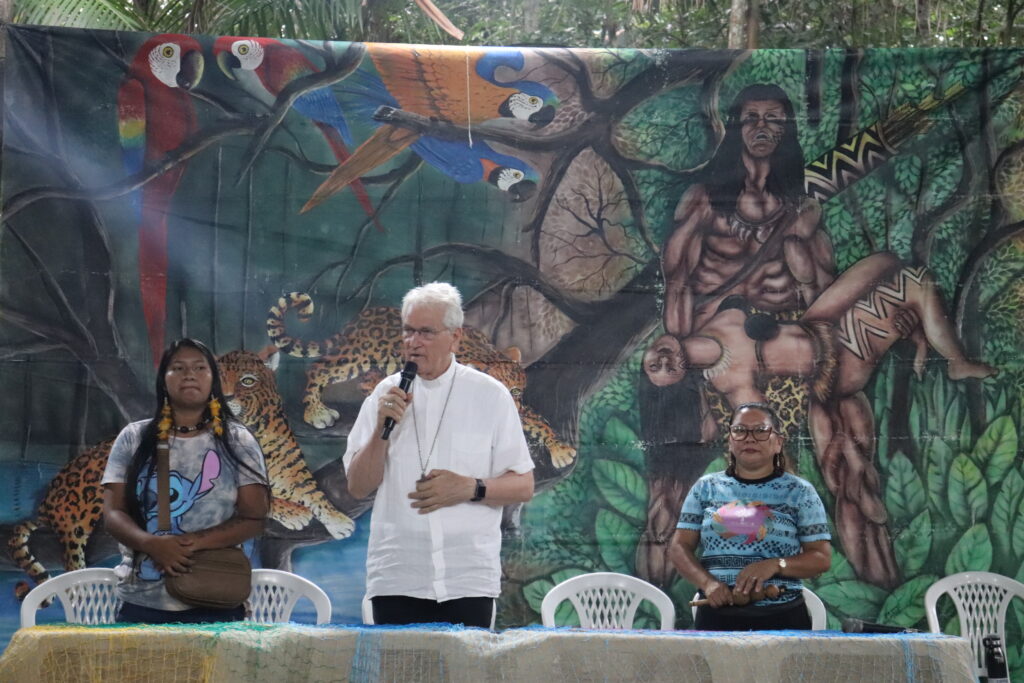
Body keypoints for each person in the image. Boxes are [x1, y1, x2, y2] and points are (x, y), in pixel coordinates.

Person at [648, 253, 995, 587]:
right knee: (915, 283)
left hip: (818, 323)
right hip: (837, 364)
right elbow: (762, 430)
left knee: (885, 262)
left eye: (654, 361)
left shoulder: (705, 317)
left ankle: (919, 335)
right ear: (679, 378)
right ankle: (955, 360)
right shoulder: (726, 379)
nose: (663, 362)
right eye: (663, 371)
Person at [638, 83, 836, 589]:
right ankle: (658, 610)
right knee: (671, 492)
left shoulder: (800, 205)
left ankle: (774, 575)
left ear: (786, 130)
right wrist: (678, 351)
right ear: (735, 128)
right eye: (751, 118)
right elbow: (679, 281)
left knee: (785, 478)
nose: (763, 128)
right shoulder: (706, 197)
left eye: (774, 118)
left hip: (779, 342)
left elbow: (822, 288)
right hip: (715, 343)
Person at [344, 282, 534, 628]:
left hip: (467, 578)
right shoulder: (383, 395)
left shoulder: (490, 396)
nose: (413, 342)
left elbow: (523, 485)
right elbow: (357, 487)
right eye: (408, 331)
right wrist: (380, 432)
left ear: (455, 338)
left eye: (426, 333)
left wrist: (470, 488)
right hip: (398, 575)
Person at [102, 338, 269, 623]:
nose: (189, 374)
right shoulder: (133, 438)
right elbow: (113, 513)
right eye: (178, 368)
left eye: (199, 368)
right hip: (142, 602)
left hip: (217, 599)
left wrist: (192, 543)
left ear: (213, 380)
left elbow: (255, 517)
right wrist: (152, 544)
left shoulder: (238, 441)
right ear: (163, 380)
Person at [670, 403, 832, 631]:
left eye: (760, 430)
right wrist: (708, 584)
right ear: (730, 441)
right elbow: (679, 547)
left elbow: (821, 558)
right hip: (716, 616)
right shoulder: (706, 488)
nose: (749, 438)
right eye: (740, 430)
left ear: (778, 442)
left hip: (783, 617)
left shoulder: (799, 492)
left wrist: (776, 565)